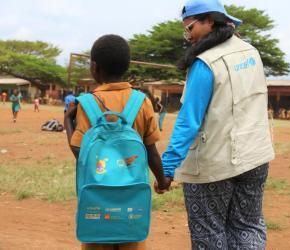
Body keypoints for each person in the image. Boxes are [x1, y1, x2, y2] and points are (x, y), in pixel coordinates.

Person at [159, 0, 275, 248]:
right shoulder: (251, 52)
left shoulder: (205, 63)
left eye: (189, 28)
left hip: (215, 165)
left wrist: (167, 168)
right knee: (247, 226)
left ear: (209, 21)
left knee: (209, 236)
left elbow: (188, 122)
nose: (187, 36)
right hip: (255, 158)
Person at [64, 34, 170, 250]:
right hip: (131, 204)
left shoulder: (86, 103)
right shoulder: (142, 102)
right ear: (127, 66)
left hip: (97, 202)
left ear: (94, 67)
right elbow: (151, 151)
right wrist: (162, 180)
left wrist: (68, 120)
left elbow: (80, 152)